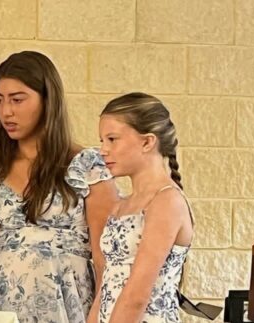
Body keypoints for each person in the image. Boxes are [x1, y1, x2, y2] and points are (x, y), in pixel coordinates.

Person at [0, 51, 119, 323]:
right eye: (0, 100)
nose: (6, 111)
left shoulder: (87, 167)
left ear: (48, 100)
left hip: (68, 311)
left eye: (17, 100)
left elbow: (108, 261)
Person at [95, 92, 194, 323]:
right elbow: (106, 287)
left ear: (148, 142)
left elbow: (137, 294)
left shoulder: (166, 201)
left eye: (112, 139)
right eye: (102, 141)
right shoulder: (121, 205)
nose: (103, 150)